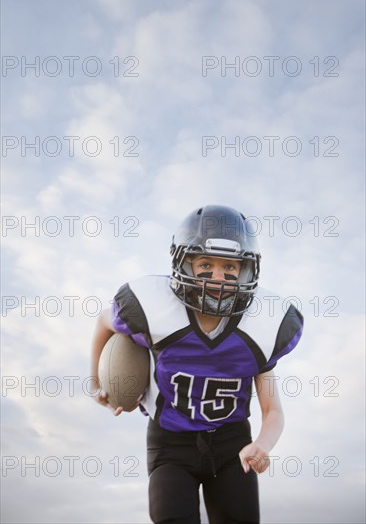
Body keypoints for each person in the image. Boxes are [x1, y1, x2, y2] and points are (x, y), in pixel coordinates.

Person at [90, 205, 304, 524]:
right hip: (170, 442)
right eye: (206, 263)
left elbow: (272, 409)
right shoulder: (152, 308)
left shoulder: (262, 329)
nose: (218, 276)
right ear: (184, 262)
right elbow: (104, 320)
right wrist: (96, 381)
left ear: (247, 271)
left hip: (232, 443)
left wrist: (262, 444)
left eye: (230, 267)